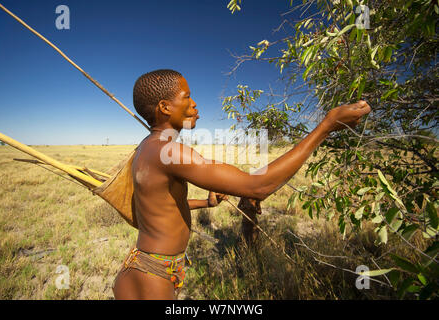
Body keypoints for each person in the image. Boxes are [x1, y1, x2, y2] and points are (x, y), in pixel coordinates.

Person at [112, 69, 371, 300]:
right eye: (186, 96)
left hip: (145, 268)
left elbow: (161, 207)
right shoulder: (168, 151)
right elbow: (259, 187)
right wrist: (325, 127)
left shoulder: (147, 148)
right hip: (151, 279)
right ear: (165, 107)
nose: (194, 104)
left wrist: (206, 202)